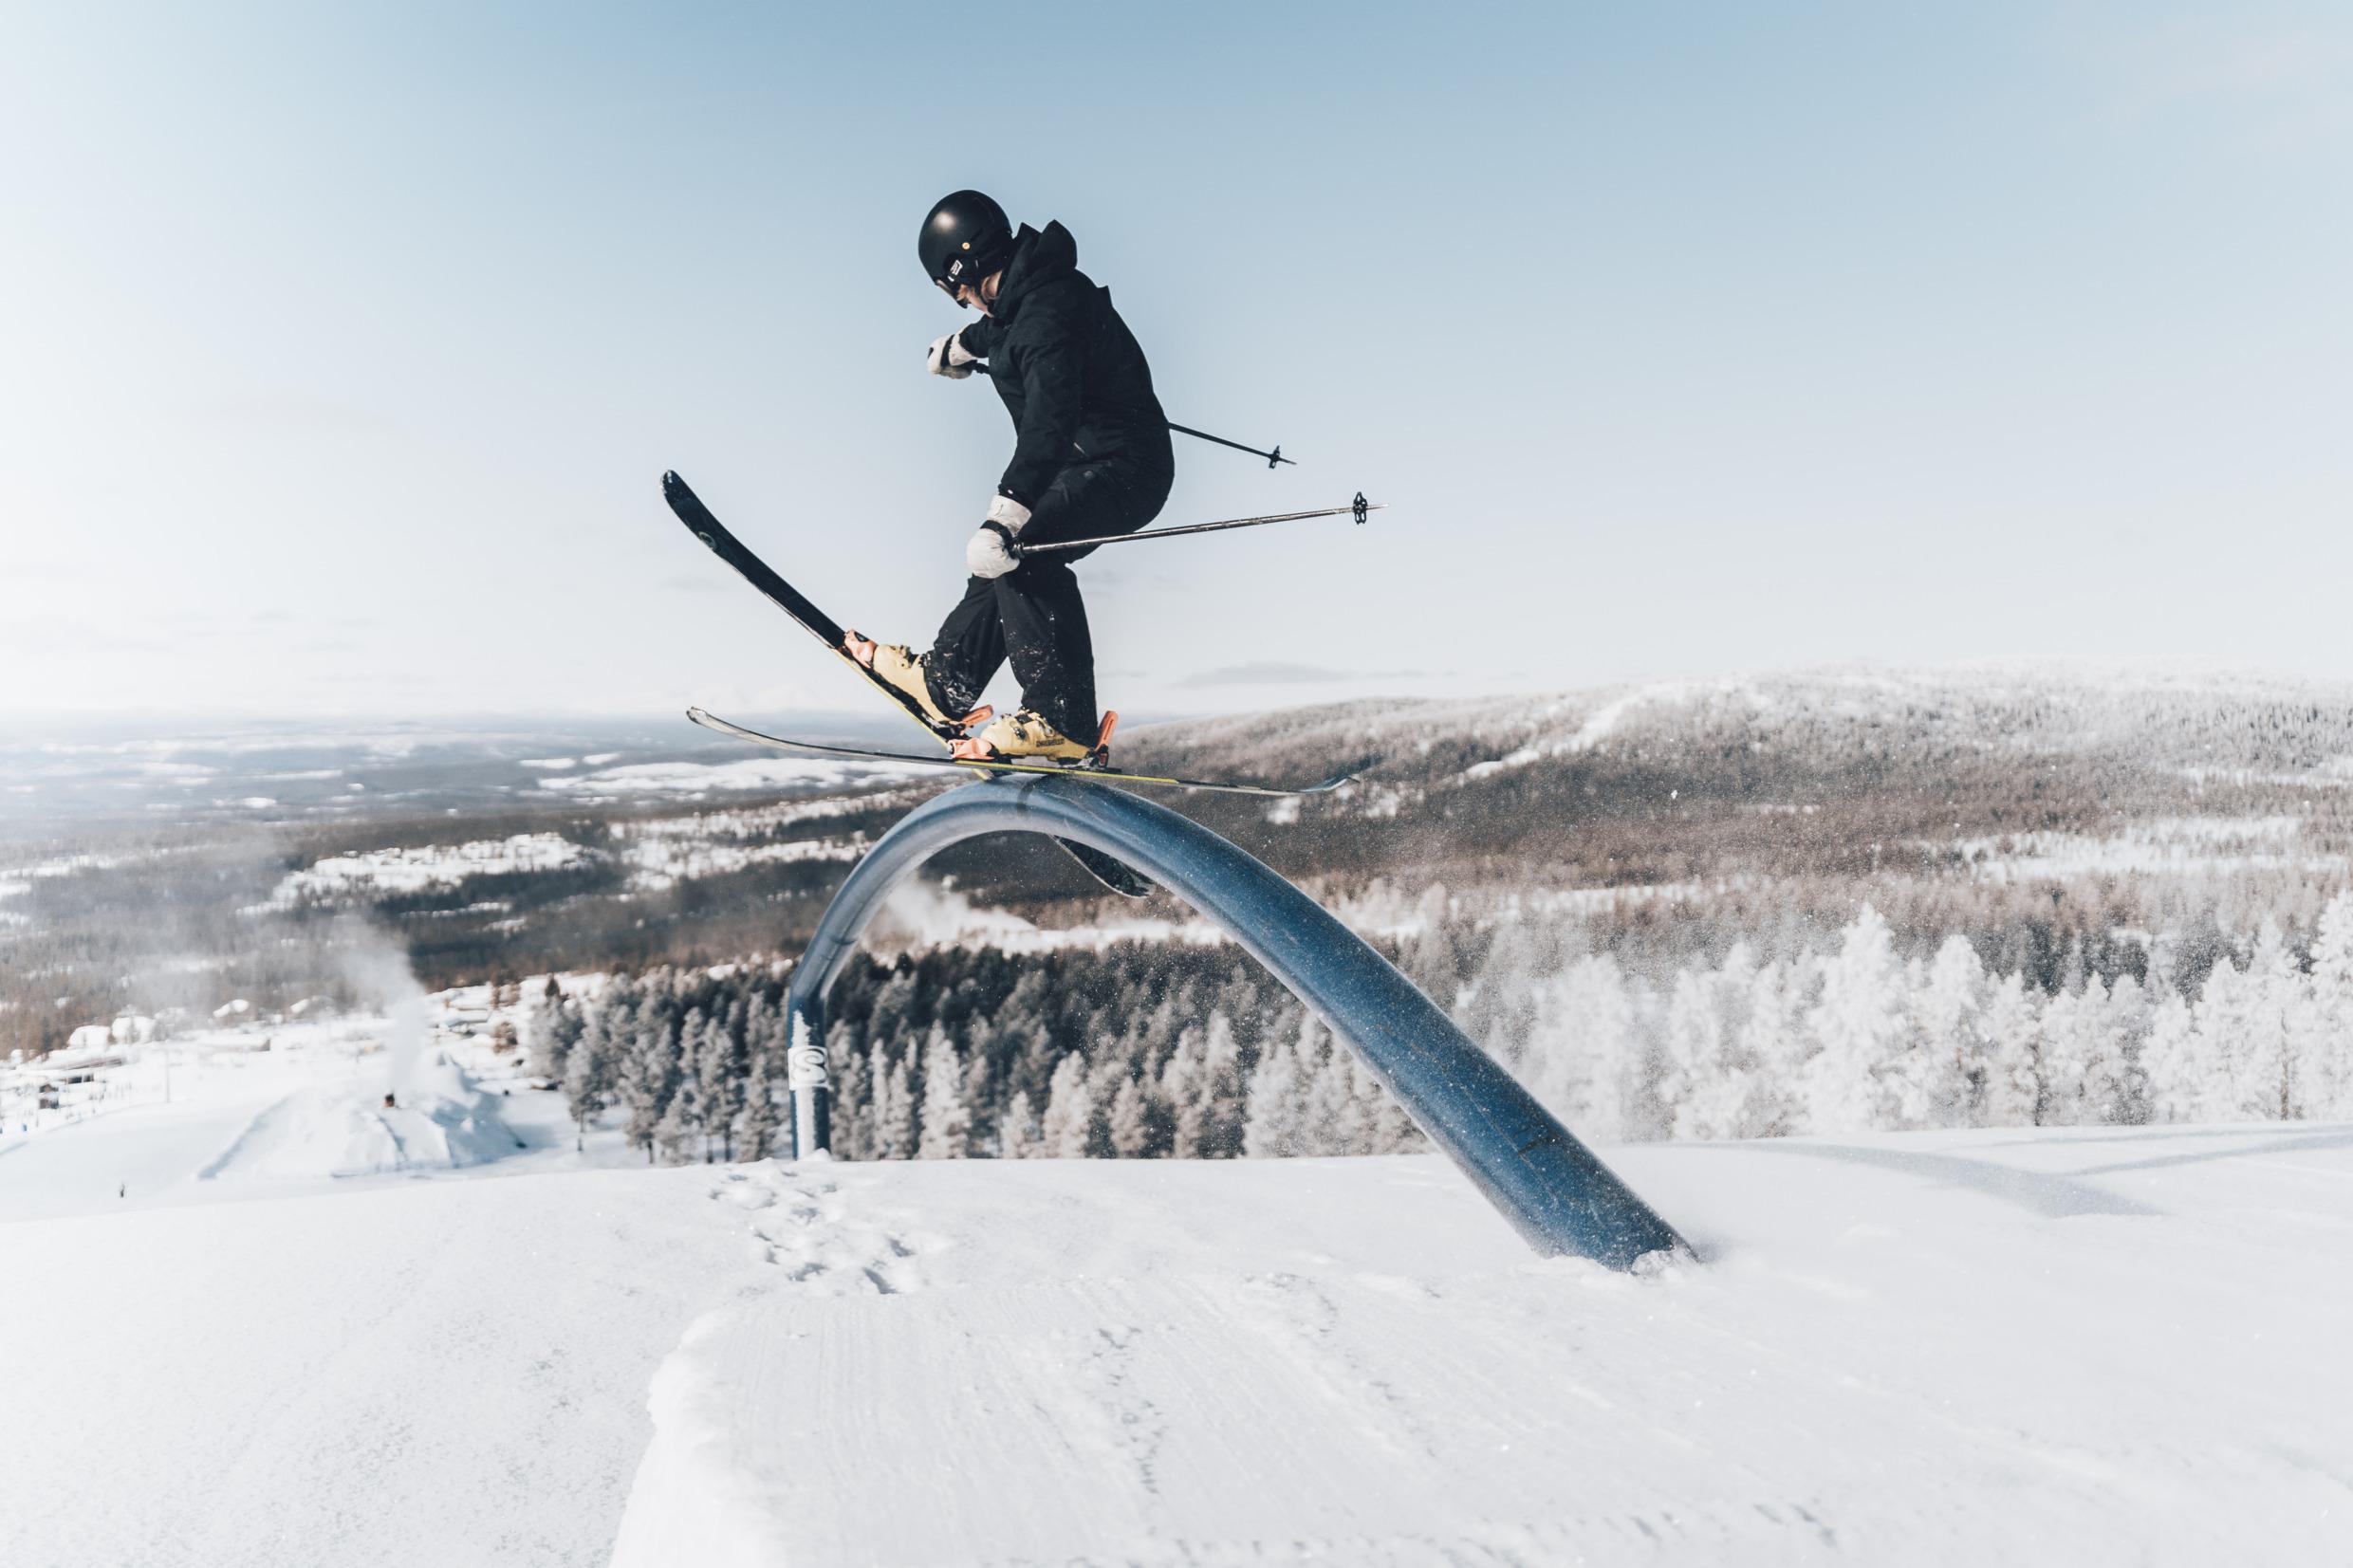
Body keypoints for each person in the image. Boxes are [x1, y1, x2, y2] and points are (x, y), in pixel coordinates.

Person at [850, 190, 1175, 761]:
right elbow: (1004, 324)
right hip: (1091, 459)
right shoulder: (1032, 292)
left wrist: (1007, 512)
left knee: (1021, 542)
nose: (966, 305)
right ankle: (948, 679)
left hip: (1126, 470)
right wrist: (962, 345)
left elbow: (1047, 428)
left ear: (966, 273)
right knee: (1001, 557)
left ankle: (1061, 717)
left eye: (959, 296)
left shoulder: (1046, 319)